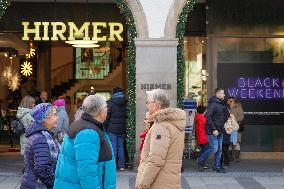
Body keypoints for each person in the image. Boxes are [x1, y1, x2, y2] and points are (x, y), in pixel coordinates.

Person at [54, 94, 116, 189]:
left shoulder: (86, 126)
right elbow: (87, 172)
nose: (107, 109)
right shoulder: (88, 132)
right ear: (100, 111)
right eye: (106, 107)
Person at [135, 89, 186, 189]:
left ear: (157, 105)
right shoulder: (172, 123)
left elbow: (155, 160)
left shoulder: (161, 126)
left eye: (148, 102)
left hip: (159, 183)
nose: (146, 105)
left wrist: (143, 184)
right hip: (169, 182)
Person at [21, 103, 59, 189]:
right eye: (54, 115)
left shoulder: (43, 135)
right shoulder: (40, 138)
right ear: (44, 119)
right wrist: (55, 183)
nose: (57, 117)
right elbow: (42, 168)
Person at [202, 88, 227, 173]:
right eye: (223, 93)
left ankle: (216, 166)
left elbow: (219, 117)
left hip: (220, 131)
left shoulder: (220, 103)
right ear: (218, 94)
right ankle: (201, 160)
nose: (224, 95)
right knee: (214, 148)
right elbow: (208, 116)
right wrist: (213, 129)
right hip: (213, 131)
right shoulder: (213, 104)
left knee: (219, 150)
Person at [104, 87, 127, 171]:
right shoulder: (126, 102)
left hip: (112, 129)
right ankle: (121, 165)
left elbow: (107, 118)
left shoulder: (110, 103)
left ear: (114, 93)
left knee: (113, 146)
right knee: (121, 147)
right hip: (122, 129)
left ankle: (113, 165)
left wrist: (105, 128)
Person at [228, 97, 244, 162]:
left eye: (230, 101)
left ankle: (236, 157)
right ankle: (229, 157)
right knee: (229, 142)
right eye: (228, 101)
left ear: (234, 102)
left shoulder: (238, 108)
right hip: (228, 128)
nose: (229, 102)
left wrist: (233, 120)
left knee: (236, 142)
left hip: (236, 128)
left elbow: (241, 117)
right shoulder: (227, 108)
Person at [195, 105, 209, 171]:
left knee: (204, 149)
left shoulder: (198, 117)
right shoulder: (203, 118)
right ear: (204, 111)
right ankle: (201, 161)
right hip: (203, 136)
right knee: (207, 149)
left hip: (199, 136)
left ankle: (203, 162)